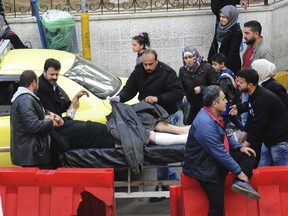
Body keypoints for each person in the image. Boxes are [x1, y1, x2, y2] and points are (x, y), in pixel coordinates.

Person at [118, 48, 185, 202]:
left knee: (162, 152)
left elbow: (178, 93)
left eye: (150, 64)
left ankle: (162, 186)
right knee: (161, 153)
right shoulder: (139, 70)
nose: (147, 67)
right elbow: (130, 89)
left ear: (157, 61)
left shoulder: (167, 72)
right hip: (149, 114)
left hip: (167, 114)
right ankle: (170, 177)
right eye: (145, 64)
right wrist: (119, 98)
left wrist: (158, 98)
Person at [183, 85, 260, 216]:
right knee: (217, 206)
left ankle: (240, 183)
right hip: (206, 168)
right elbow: (219, 153)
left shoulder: (213, 114)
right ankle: (241, 180)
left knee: (249, 155)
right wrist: (239, 171)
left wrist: (239, 147)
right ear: (214, 103)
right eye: (223, 99)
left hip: (214, 159)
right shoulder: (205, 124)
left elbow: (224, 135)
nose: (227, 102)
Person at [229, 69, 288, 166]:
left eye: (241, 82)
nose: (238, 84)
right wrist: (239, 107)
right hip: (268, 140)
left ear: (250, 85)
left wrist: (243, 147)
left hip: (279, 141)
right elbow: (251, 109)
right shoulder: (254, 95)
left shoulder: (262, 98)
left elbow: (257, 126)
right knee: (262, 167)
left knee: (281, 174)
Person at [10, 70, 64, 168]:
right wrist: (50, 122)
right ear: (34, 83)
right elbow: (33, 126)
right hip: (32, 155)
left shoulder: (26, 99)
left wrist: (48, 114)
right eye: (38, 82)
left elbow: (34, 116)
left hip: (32, 154)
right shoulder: (25, 100)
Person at [251, 59, 288, 166]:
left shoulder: (273, 87)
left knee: (281, 170)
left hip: (278, 136)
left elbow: (284, 108)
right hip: (268, 136)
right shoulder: (261, 85)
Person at [179, 46, 219, 125]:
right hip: (192, 106)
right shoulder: (183, 70)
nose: (188, 60)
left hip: (206, 104)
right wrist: (183, 95)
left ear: (195, 56)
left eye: (190, 57)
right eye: (185, 58)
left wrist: (202, 88)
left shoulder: (207, 68)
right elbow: (181, 86)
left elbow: (216, 87)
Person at [211, 53, 244, 131]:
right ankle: (245, 130)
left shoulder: (224, 77)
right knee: (233, 118)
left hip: (227, 102)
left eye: (215, 64)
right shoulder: (228, 71)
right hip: (231, 100)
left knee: (224, 122)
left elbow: (223, 91)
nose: (213, 67)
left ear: (222, 64)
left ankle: (225, 137)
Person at [208, 5, 242, 74]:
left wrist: (223, 67)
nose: (221, 19)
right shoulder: (219, 28)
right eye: (220, 16)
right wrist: (210, 63)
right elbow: (214, 45)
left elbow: (233, 52)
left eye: (224, 17)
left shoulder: (236, 32)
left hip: (229, 66)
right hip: (217, 65)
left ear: (231, 17)